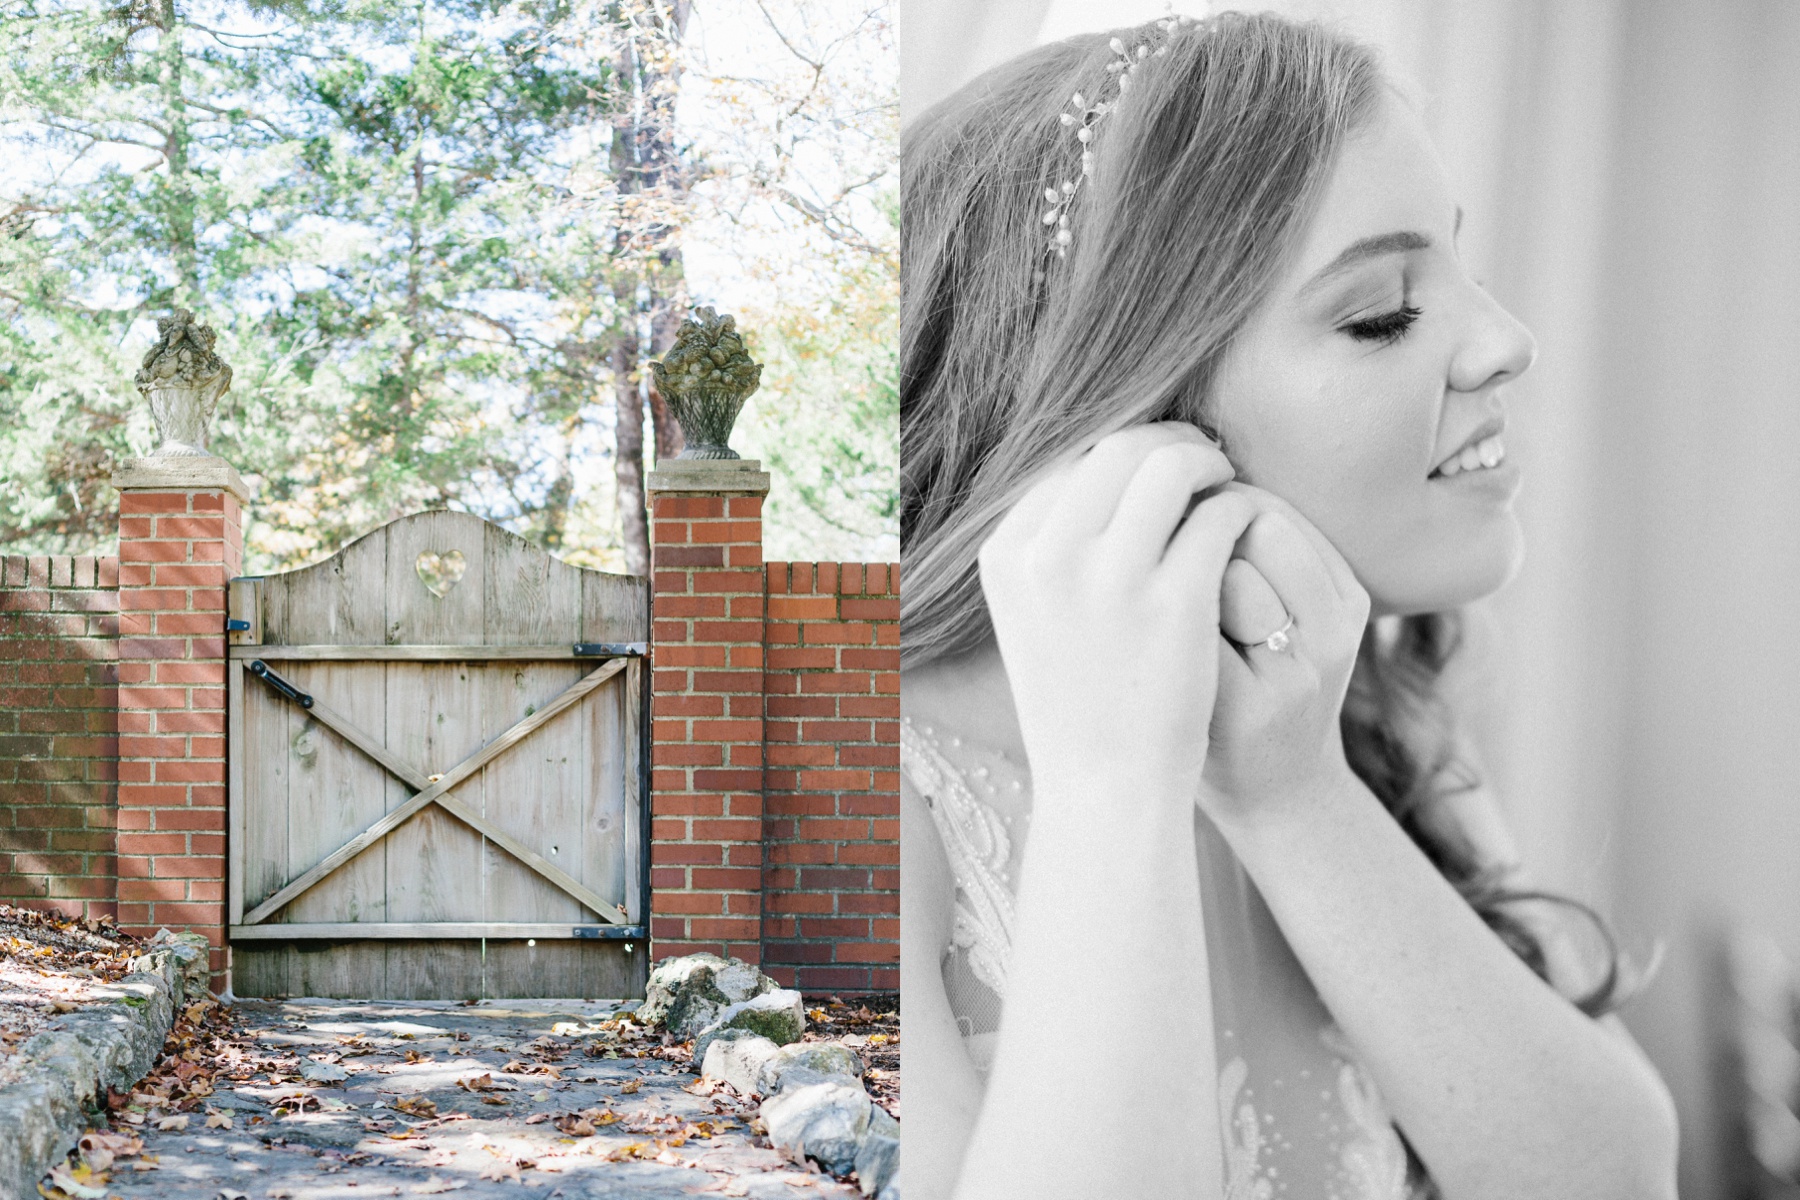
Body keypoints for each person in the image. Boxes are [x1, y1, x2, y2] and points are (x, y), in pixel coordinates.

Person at [899, 11, 1680, 1200]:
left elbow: (1613, 1179)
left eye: (1464, 270)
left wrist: (1293, 793)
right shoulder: (844, 796)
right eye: (1382, 315)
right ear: (1125, 419)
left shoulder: (1347, 701)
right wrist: (1120, 784)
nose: (1508, 343)